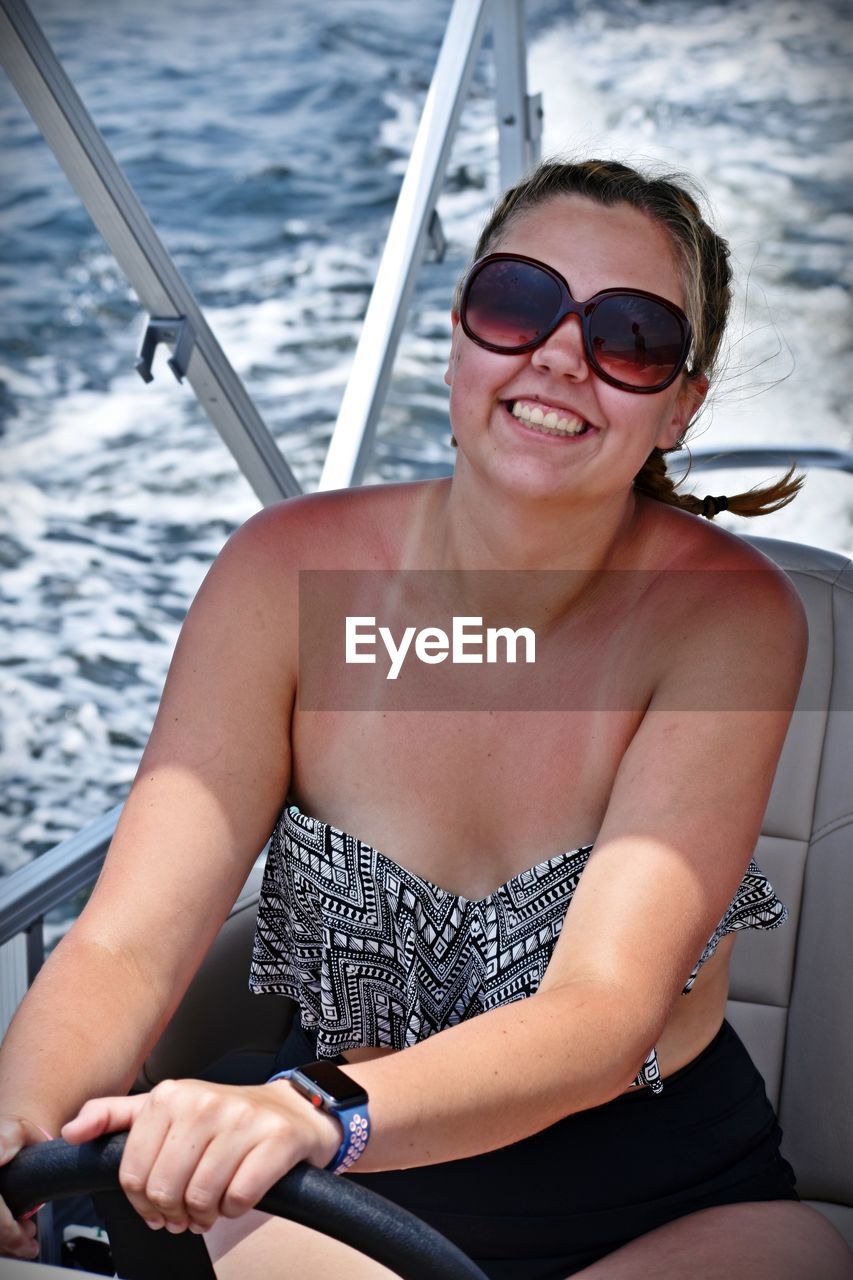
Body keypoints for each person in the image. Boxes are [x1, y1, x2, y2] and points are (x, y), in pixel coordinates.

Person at [1, 157, 851, 1280]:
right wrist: (16, 1129)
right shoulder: (282, 575)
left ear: (678, 405)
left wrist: (317, 1110)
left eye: (630, 334)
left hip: (665, 1206)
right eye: (517, 303)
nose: (558, 354)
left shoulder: (731, 617)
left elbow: (601, 1010)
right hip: (328, 1196)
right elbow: (123, 942)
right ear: (458, 333)